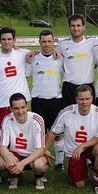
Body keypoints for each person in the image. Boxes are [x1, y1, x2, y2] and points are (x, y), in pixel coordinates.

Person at [46, 85, 98, 194]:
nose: (84, 102)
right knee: (80, 185)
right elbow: (53, 131)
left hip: (90, 148)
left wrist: (83, 146)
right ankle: (80, 167)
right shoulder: (66, 113)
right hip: (73, 152)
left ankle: (97, 181)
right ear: (76, 99)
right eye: (81, 99)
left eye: (87, 99)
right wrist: (43, 150)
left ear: (92, 98)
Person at [26, 29, 66, 171]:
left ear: (53, 42)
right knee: (40, 134)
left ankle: (59, 163)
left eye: (49, 41)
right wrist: (34, 51)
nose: (47, 44)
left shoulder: (60, 58)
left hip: (56, 100)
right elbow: (25, 74)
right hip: (38, 100)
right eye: (43, 41)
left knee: (57, 133)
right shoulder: (33, 58)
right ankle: (40, 159)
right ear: (39, 42)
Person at [0, 93, 48, 190]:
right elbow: (2, 146)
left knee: (39, 165)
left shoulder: (37, 119)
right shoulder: (7, 119)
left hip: (33, 155)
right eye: (16, 108)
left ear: (27, 106)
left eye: (23, 107)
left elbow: (40, 149)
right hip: (16, 155)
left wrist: (22, 164)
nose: (20, 111)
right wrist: (8, 159)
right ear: (10, 109)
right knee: (0, 163)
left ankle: (40, 177)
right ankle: (15, 176)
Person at [0, 27, 31, 126]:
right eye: (3, 39)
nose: (6, 42)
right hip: (1, 102)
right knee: (3, 133)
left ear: (14, 40)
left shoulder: (23, 54)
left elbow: (40, 53)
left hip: (20, 103)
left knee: (22, 131)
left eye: (9, 39)